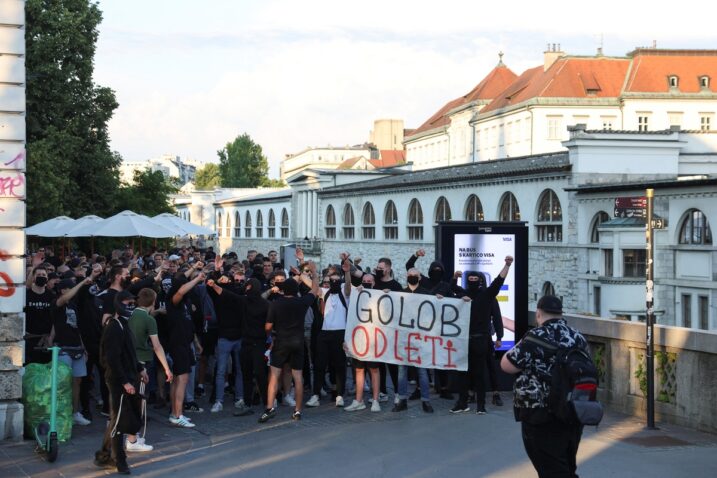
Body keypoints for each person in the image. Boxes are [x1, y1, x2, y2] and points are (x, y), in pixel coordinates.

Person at [501, 295, 589, 478]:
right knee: (565, 465)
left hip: (540, 413)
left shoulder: (535, 337)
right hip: (572, 410)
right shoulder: (577, 336)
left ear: (538, 314)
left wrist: (524, 340)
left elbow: (507, 365)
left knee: (552, 470)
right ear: (561, 314)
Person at [94, 291, 149, 475]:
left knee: (116, 418)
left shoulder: (124, 325)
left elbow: (129, 353)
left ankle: (103, 454)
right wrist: (125, 382)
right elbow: (112, 359)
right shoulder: (114, 327)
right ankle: (120, 461)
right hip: (118, 380)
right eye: (127, 303)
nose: (131, 306)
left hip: (128, 377)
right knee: (118, 420)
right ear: (118, 305)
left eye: (133, 303)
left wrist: (140, 368)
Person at [451, 255, 513, 415]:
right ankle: (462, 402)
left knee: (479, 374)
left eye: (475, 278)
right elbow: (448, 291)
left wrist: (507, 265)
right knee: (462, 374)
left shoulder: (487, 295)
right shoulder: (462, 295)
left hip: (481, 340)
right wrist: (454, 279)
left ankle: (481, 405)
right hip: (464, 340)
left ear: (480, 281)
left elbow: (498, 281)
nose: (472, 280)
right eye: (469, 278)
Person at [259, 263, 319, 423]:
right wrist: (313, 272)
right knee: (297, 377)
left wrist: (271, 333)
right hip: (298, 342)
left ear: (283, 290)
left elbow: (268, 326)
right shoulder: (302, 302)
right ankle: (298, 411)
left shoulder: (275, 304)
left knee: (274, 376)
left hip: (281, 342)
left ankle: (269, 408)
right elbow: (315, 291)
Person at [127, 288, 173, 452]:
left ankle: (131, 436)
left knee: (131, 400)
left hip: (128, 362)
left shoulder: (129, 314)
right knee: (139, 401)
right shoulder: (148, 319)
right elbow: (157, 346)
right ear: (153, 302)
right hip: (142, 364)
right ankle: (132, 440)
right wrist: (167, 368)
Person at [48, 276, 95, 426]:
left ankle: (75, 412)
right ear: (63, 290)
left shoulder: (73, 306)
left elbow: (75, 327)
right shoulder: (57, 302)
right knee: (63, 382)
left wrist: (83, 347)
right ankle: (61, 413)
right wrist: (82, 282)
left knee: (77, 381)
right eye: (70, 288)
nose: (73, 291)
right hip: (63, 348)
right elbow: (56, 323)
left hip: (77, 347)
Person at [306, 257, 352, 409]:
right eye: (331, 279)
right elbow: (311, 285)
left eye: (336, 278)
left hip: (340, 333)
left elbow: (348, 288)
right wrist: (313, 271)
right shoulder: (324, 292)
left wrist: (347, 272)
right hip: (324, 334)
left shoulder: (344, 291)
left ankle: (339, 395)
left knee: (339, 366)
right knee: (319, 365)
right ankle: (315, 395)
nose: (333, 281)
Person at [392, 268, 435, 413]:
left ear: (420, 277)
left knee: (422, 371)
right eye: (410, 275)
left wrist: (439, 300)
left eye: (415, 276)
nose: (412, 277)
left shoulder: (426, 294)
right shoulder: (400, 294)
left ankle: (425, 401)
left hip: (420, 338)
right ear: (406, 276)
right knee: (402, 371)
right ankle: (402, 400)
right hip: (404, 339)